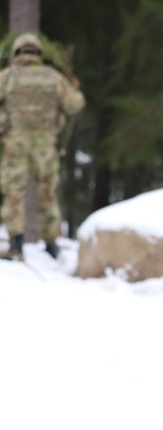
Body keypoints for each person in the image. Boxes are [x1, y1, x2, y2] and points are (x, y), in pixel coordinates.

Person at [0, 32, 85, 260]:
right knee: (47, 194)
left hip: (15, 144)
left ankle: (16, 244)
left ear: (17, 52)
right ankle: (51, 245)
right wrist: (75, 89)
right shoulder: (53, 77)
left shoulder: (6, 77)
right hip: (46, 146)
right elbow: (74, 105)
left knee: (13, 195)